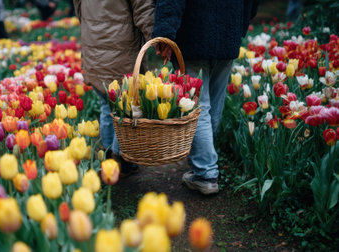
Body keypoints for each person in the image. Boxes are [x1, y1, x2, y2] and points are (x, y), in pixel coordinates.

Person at [153, 0, 260, 195]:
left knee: (198, 106)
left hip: (194, 34)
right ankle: (205, 164)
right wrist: (239, 25)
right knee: (213, 106)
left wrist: (165, 34)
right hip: (229, 32)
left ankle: (206, 173)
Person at [73, 0, 155, 174]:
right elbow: (144, 10)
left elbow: (78, 8)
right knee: (126, 110)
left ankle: (109, 156)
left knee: (107, 106)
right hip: (122, 51)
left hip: (94, 48)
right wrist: (157, 38)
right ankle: (121, 159)